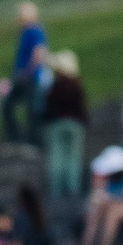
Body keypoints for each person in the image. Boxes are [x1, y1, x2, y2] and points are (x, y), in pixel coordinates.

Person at [41, 50, 89, 198]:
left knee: (56, 157)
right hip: (74, 125)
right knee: (73, 157)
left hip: (56, 125)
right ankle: (72, 187)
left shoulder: (55, 87)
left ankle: (56, 189)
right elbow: (82, 108)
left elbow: (48, 107)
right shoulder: (77, 85)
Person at [0, 2, 49, 146]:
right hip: (22, 76)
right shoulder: (25, 32)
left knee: (32, 108)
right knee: (10, 104)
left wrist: (27, 72)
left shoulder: (34, 31)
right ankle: (18, 136)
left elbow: (38, 53)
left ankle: (35, 140)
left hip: (30, 77)